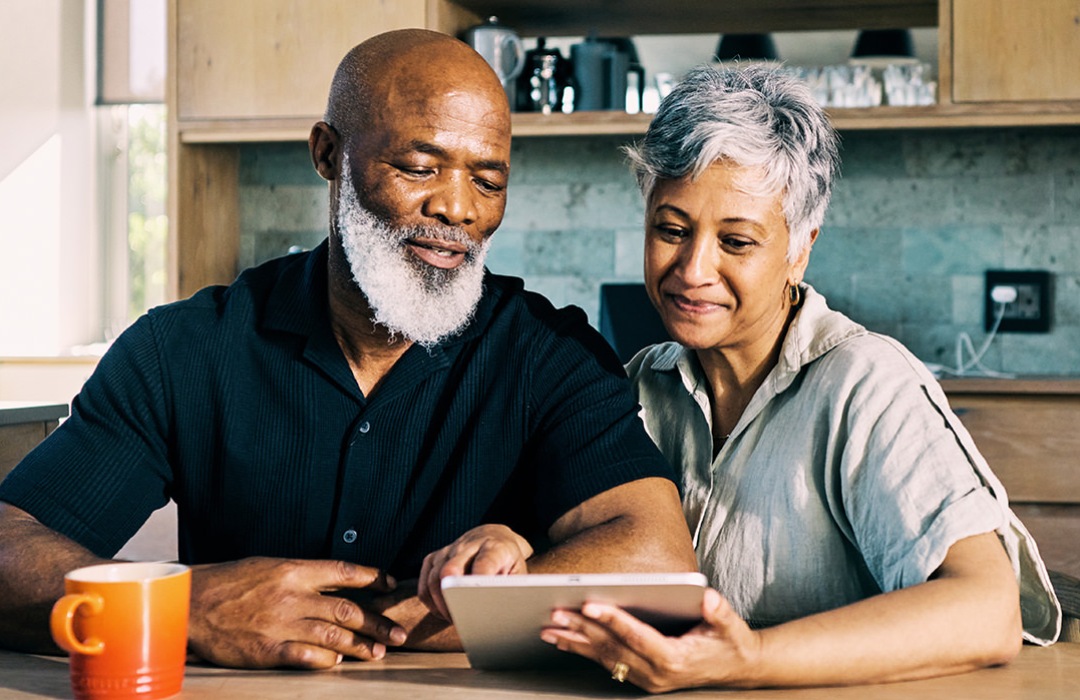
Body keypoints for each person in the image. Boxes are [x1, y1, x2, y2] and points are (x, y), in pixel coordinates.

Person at [0, 29, 697, 670]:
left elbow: (657, 558)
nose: (458, 209)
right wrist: (181, 606)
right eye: (420, 167)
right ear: (329, 154)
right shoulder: (180, 351)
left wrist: (448, 607)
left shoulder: (550, 354)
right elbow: (9, 545)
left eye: (488, 181)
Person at [432, 64, 1062, 691]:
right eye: (671, 230)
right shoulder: (630, 388)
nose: (692, 269)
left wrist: (749, 659)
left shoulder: (864, 384)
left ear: (801, 247)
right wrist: (509, 543)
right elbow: (572, 564)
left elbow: (988, 610)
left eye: (736, 242)